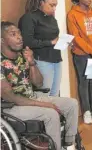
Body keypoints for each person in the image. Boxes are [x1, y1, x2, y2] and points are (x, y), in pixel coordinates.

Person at [1, 21, 79, 150]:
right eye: (13, 34)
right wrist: (44, 104)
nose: (20, 37)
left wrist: (31, 63)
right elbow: (9, 96)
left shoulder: (22, 56)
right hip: (11, 107)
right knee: (51, 114)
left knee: (72, 104)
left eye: (19, 33)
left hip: (32, 97)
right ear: (2, 40)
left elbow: (38, 83)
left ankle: (69, 145)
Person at [18, 0, 61, 97]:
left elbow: (54, 39)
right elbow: (27, 41)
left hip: (56, 59)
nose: (54, 8)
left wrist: (62, 42)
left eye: (55, 5)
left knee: (55, 95)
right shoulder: (29, 17)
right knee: (44, 96)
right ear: (41, 2)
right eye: (51, 5)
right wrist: (50, 42)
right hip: (41, 61)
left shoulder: (52, 18)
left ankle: (55, 115)